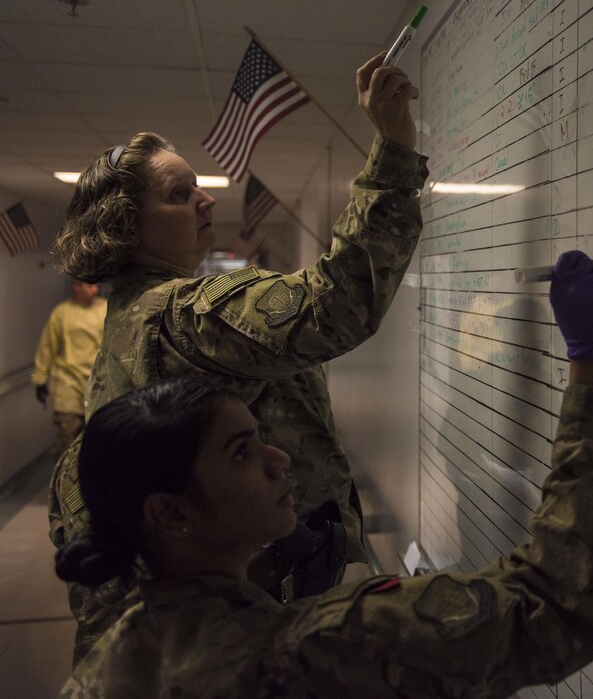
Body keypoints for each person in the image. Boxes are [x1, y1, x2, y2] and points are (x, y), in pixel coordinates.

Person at [53, 250, 593, 698]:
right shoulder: (316, 648)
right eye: (241, 454)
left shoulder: (115, 656)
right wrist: (592, 372)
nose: (278, 460)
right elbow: (557, 609)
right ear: (170, 513)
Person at [47, 52, 428, 663]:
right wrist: (394, 149)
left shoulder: (128, 315)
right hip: (244, 616)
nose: (204, 201)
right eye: (178, 195)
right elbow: (338, 303)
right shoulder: (184, 315)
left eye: (198, 187)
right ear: (126, 228)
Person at [31, 281, 107, 456]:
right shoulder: (62, 313)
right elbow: (47, 346)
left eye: (96, 286)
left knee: (96, 443)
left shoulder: (105, 308)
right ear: (76, 286)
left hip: (98, 383)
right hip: (68, 384)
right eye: (89, 286)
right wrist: (39, 379)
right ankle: (64, 481)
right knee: (67, 441)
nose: (94, 290)